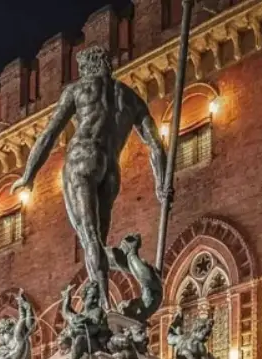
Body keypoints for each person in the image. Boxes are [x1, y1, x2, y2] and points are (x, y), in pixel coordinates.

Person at [11, 45, 168, 309]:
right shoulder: (129, 98)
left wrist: (28, 174)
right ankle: (129, 265)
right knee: (98, 242)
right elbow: (155, 145)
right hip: (111, 170)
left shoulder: (78, 90)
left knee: (90, 238)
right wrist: (162, 183)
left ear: (85, 69)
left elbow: (49, 134)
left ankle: (103, 308)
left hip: (82, 160)